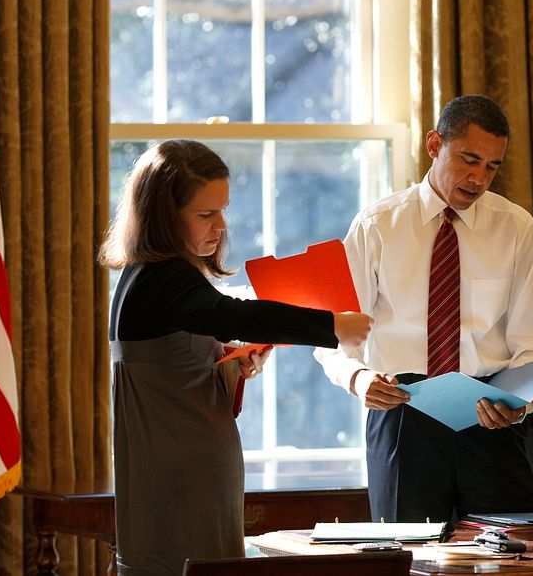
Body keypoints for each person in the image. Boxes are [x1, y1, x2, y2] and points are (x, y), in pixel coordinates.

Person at [99, 139, 372, 574]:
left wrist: (230, 359)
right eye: (206, 214)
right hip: (180, 470)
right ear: (163, 217)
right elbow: (233, 316)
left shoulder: (156, 275)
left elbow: (180, 350)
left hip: (187, 458)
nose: (221, 225)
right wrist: (331, 326)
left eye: (223, 210)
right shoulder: (162, 278)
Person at [314, 94, 533, 523]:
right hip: (401, 413)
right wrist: (358, 378)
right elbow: (331, 333)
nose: (479, 178)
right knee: (406, 558)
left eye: (492, 166)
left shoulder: (516, 228)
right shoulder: (377, 225)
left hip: (489, 417)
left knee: (508, 560)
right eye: (468, 159)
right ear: (434, 145)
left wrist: (520, 402)